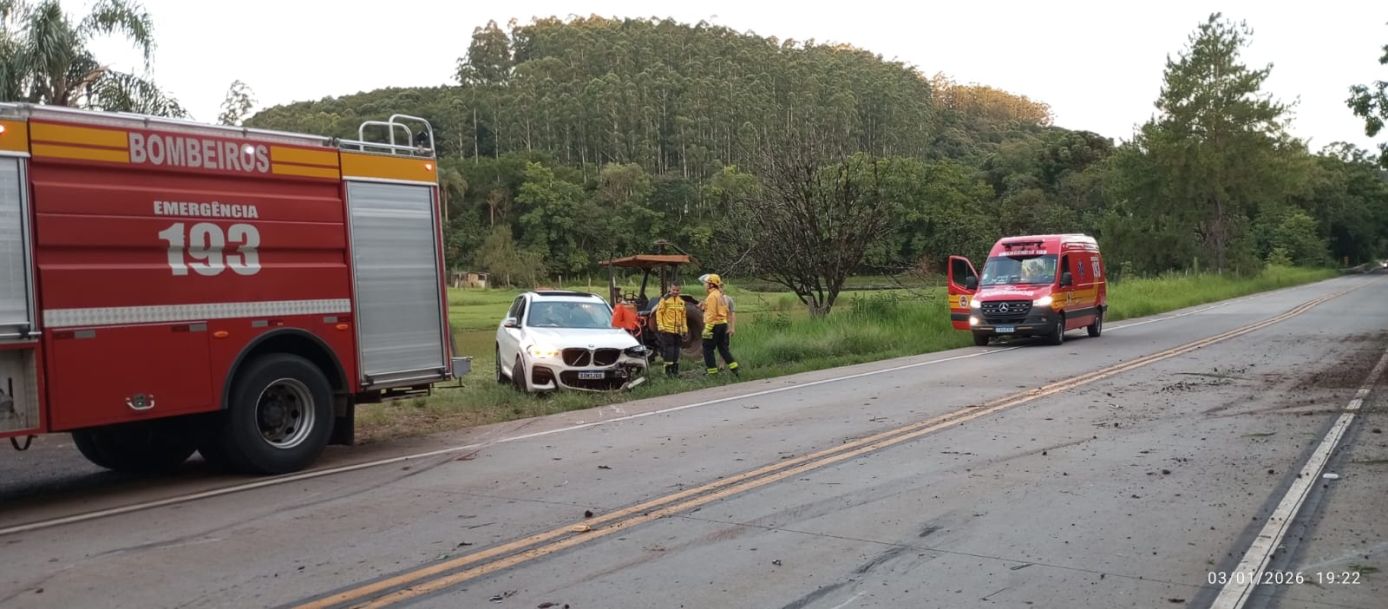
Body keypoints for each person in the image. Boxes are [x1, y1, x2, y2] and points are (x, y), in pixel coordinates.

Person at [698, 273, 739, 377]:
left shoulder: (711, 296)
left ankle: (712, 373)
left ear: (711, 285)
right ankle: (735, 369)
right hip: (722, 324)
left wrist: (707, 329)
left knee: (707, 349)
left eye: (706, 283)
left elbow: (711, 314)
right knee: (723, 348)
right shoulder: (719, 295)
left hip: (713, 325)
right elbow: (724, 310)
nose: (705, 285)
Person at [654, 283, 688, 376]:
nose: (675, 292)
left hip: (678, 331)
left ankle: (675, 372)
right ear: (670, 289)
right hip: (667, 330)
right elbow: (659, 313)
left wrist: (685, 328)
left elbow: (683, 316)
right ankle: (667, 373)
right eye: (674, 290)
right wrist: (660, 326)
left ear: (680, 290)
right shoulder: (664, 300)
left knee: (677, 350)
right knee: (669, 350)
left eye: (677, 290)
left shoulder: (681, 301)